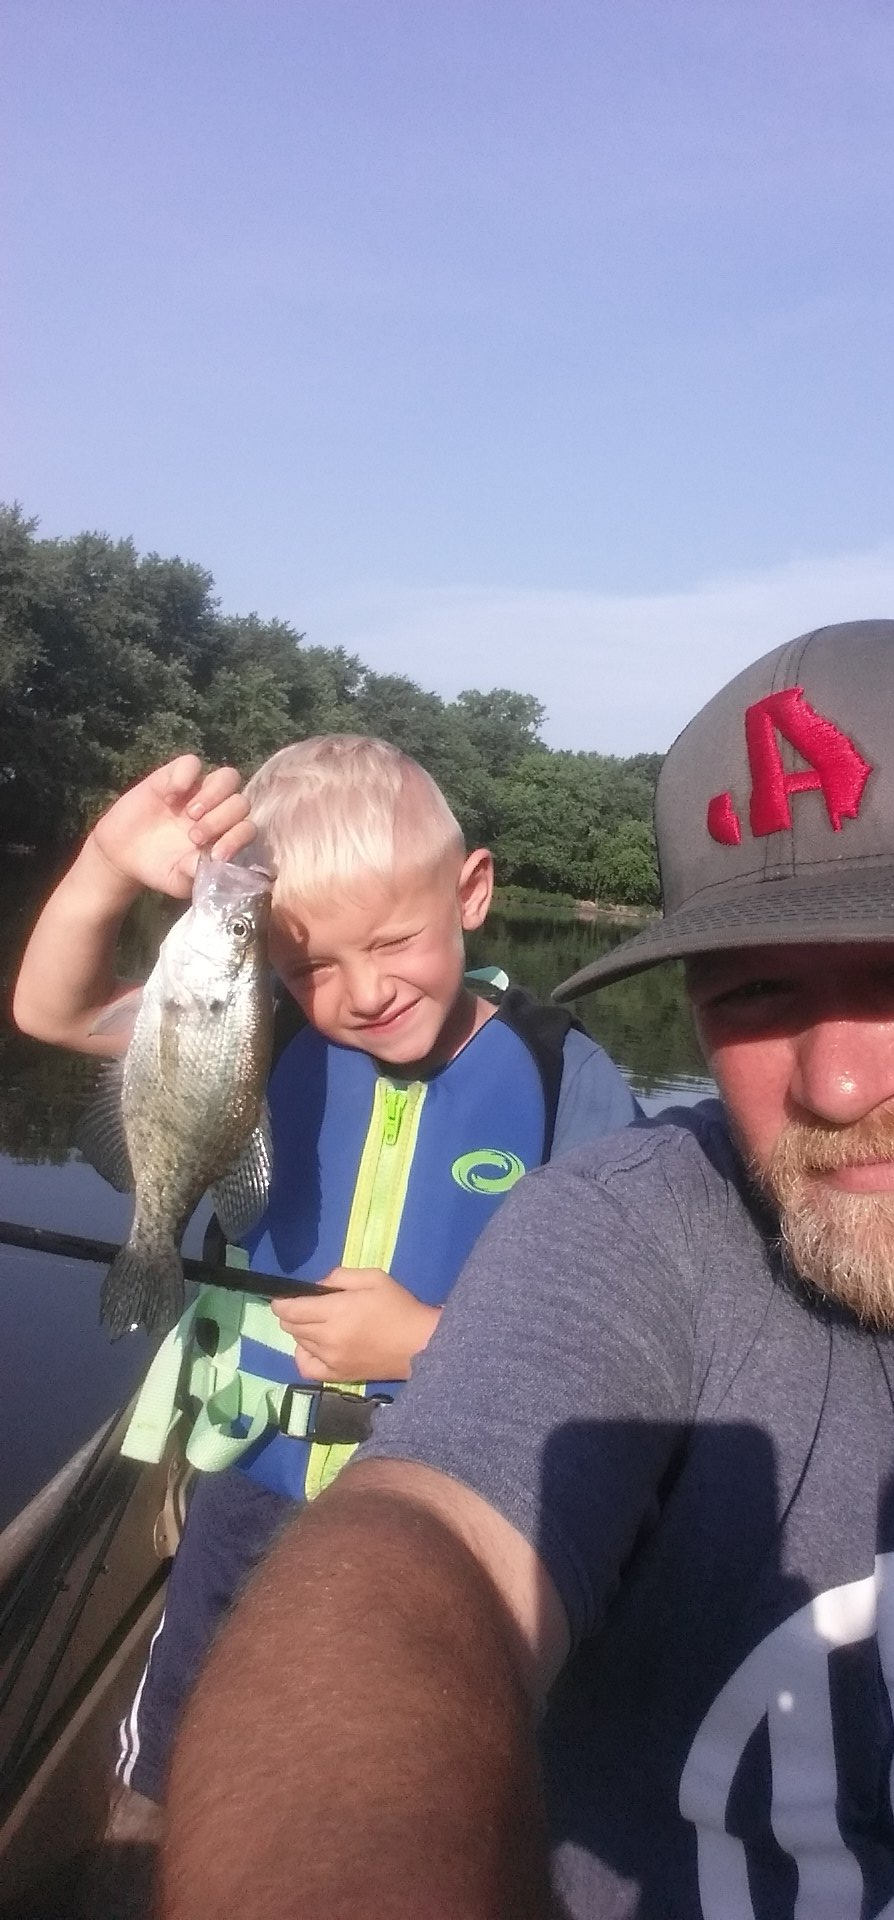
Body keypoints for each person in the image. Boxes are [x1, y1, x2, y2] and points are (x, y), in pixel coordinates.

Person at [153, 619, 894, 1920]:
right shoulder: (641, 1220)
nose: (838, 1080)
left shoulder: (561, 1086)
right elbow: (425, 1555)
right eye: (750, 993)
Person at [11, 733, 638, 1842]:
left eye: (395, 939)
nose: (362, 991)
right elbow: (51, 1014)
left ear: (473, 892)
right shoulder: (253, 1036)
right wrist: (107, 861)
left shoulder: (563, 1074)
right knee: (176, 1752)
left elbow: (627, 1316)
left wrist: (428, 1342)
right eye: (309, 966)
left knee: (418, 1765)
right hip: (255, 1473)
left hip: (453, 1492)